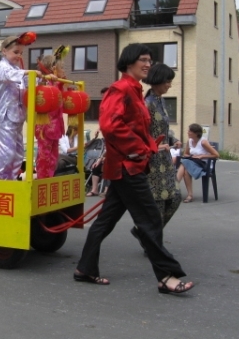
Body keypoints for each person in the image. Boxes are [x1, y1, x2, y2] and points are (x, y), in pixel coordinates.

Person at [74, 43, 194, 295]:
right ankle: (167, 276)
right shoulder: (121, 89)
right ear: (129, 62)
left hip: (127, 166)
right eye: (143, 59)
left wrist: (150, 146)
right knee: (150, 219)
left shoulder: (136, 91)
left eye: (150, 60)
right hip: (128, 167)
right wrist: (138, 149)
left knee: (105, 222)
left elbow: (138, 129)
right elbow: (110, 126)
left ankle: (85, 269)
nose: (148, 64)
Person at [130, 63, 183, 249]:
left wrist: (173, 138)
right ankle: (153, 243)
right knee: (158, 204)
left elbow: (161, 129)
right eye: (167, 81)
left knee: (176, 198)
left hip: (166, 161)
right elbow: (138, 133)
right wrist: (152, 146)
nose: (170, 85)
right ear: (158, 81)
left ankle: (142, 231)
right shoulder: (147, 104)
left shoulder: (161, 101)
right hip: (152, 161)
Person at [0, 32, 40, 180]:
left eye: (21, 53)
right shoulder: (3, 66)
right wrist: (30, 72)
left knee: (19, 152)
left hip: (18, 115)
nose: (18, 56)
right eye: (15, 52)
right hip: (6, 115)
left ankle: (12, 179)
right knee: (7, 152)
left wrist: (43, 79)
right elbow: (8, 75)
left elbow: (28, 83)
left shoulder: (17, 70)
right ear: (4, 51)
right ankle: (1, 180)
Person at [35, 47, 66, 179]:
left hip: (56, 124)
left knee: (54, 155)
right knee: (45, 154)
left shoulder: (57, 83)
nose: (63, 71)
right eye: (61, 68)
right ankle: (43, 178)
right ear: (53, 69)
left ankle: (50, 177)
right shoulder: (43, 82)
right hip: (45, 125)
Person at [177, 123, 219, 203]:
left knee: (184, 163)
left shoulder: (203, 142)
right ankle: (189, 195)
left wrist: (202, 156)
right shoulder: (189, 141)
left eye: (190, 131)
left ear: (196, 133)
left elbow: (216, 155)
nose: (187, 132)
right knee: (185, 169)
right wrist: (191, 156)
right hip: (193, 162)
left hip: (203, 164)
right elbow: (186, 154)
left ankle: (175, 185)